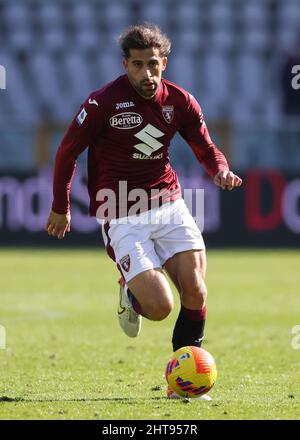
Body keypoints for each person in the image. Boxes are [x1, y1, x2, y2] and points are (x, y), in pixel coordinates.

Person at [45, 23, 242, 399]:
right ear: (126, 65)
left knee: (196, 292)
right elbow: (67, 152)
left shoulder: (181, 101)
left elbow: (205, 147)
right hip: (120, 212)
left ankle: (183, 386)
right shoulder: (101, 103)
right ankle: (130, 290)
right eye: (138, 65)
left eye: (153, 64)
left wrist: (219, 170)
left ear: (163, 63)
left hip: (168, 204)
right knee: (159, 308)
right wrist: (60, 206)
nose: (146, 73)